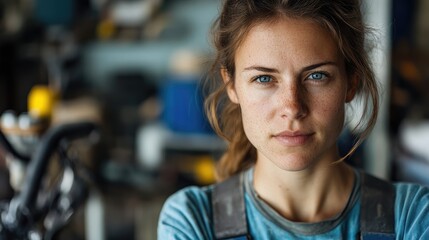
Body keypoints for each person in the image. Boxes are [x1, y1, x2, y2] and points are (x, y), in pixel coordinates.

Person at [157, 0, 429, 239]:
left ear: (351, 81)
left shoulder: (413, 217)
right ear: (232, 85)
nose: (292, 107)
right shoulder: (193, 221)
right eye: (264, 78)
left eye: (316, 76)